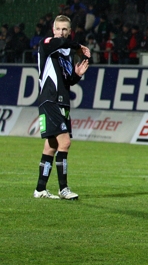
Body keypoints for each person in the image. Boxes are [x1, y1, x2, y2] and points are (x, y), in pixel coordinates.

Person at [33, 15, 91, 200]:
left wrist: (77, 75)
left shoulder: (67, 53)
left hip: (62, 101)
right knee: (64, 143)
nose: (61, 32)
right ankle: (63, 188)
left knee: (51, 146)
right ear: (53, 29)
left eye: (65, 29)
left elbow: (68, 80)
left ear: (70, 30)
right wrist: (78, 46)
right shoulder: (48, 44)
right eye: (58, 29)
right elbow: (60, 43)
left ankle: (40, 189)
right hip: (50, 100)